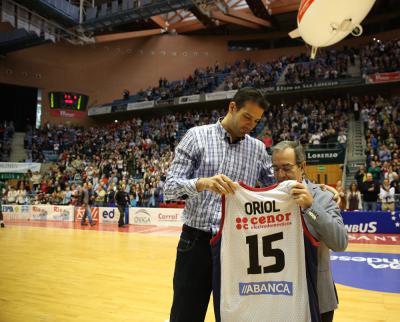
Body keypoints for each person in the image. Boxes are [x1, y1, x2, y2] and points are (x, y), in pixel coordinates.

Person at [164, 87, 274, 322]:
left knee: (234, 316)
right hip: (195, 242)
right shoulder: (196, 136)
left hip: (238, 246)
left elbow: (275, 188)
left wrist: (317, 190)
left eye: (256, 121)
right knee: (186, 314)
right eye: (247, 117)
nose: (251, 125)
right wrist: (202, 183)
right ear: (232, 107)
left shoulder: (257, 149)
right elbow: (170, 188)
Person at [271, 141, 348, 322]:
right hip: (280, 298)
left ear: (302, 166)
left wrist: (310, 207)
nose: (281, 175)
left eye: (287, 168)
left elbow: (340, 242)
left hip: (318, 296)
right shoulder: (269, 198)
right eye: (276, 169)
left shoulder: (322, 197)